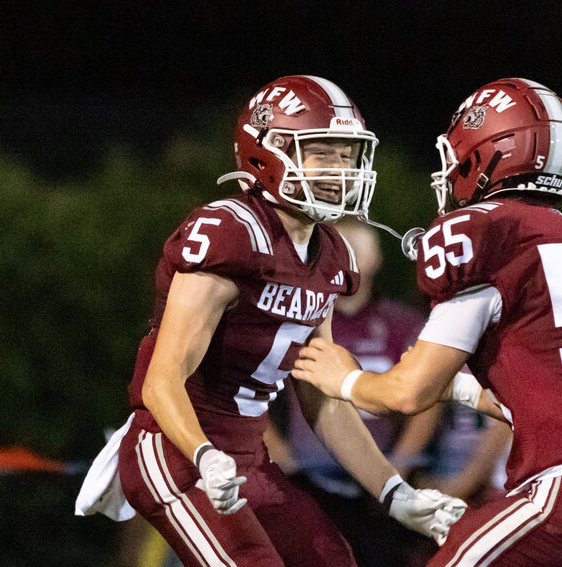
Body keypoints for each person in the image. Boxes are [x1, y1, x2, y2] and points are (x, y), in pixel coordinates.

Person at [293, 77, 562, 566]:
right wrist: (464, 390)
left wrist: (343, 377)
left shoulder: (489, 235)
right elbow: (560, 398)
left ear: (486, 156)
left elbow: (407, 393)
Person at [112, 75, 465, 567]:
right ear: (267, 153)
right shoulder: (230, 234)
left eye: (347, 155)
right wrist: (204, 455)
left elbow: (321, 395)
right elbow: (162, 381)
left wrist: (394, 493)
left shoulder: (332, 254)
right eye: (322, 152)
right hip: (174, 450)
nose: (340, 169)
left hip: (246, 457)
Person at [263, 218, 442, 567]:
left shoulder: (403, 323)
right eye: (337, 250)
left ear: (375, 260)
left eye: (356, 251)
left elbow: (426, 398)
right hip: (308, 480)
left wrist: (400, 465)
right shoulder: (296, 319)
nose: (346, 261)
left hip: (376, 485)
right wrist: (278, 452)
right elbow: (252, 385)